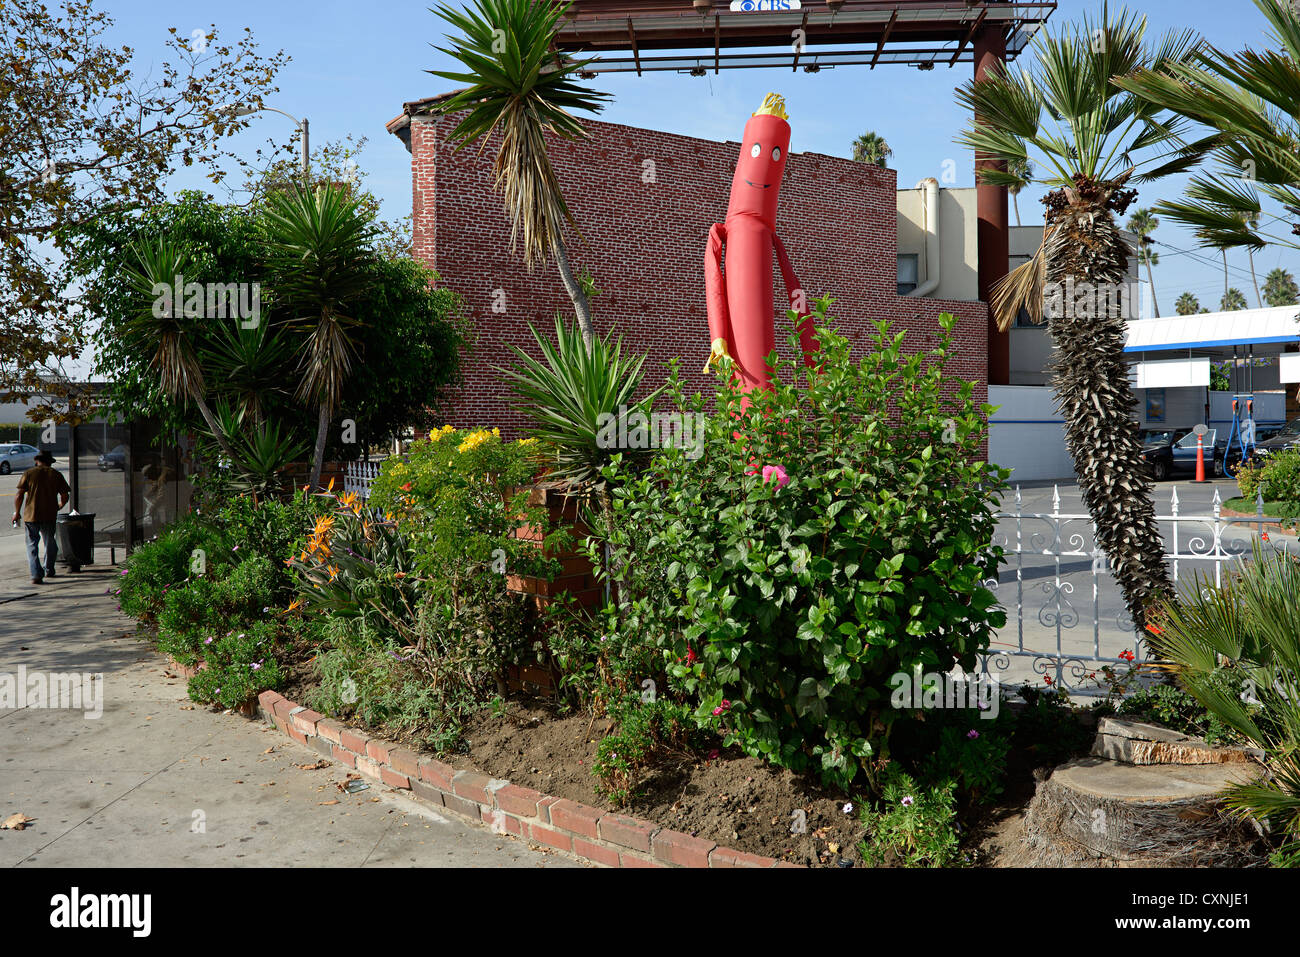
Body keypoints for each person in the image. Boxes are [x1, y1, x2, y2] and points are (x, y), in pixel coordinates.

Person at [12, 449, 70, 585]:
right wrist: (59, 506)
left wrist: (17, 512)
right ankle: (49, 569)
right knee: (50, 542)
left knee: (32, 545)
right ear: (50, 462)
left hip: (31, 515)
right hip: (49, 514)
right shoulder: (56, 474)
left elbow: (19, 495)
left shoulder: (29, 473)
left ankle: (36, 575)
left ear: (37, 460)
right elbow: (65, 496)